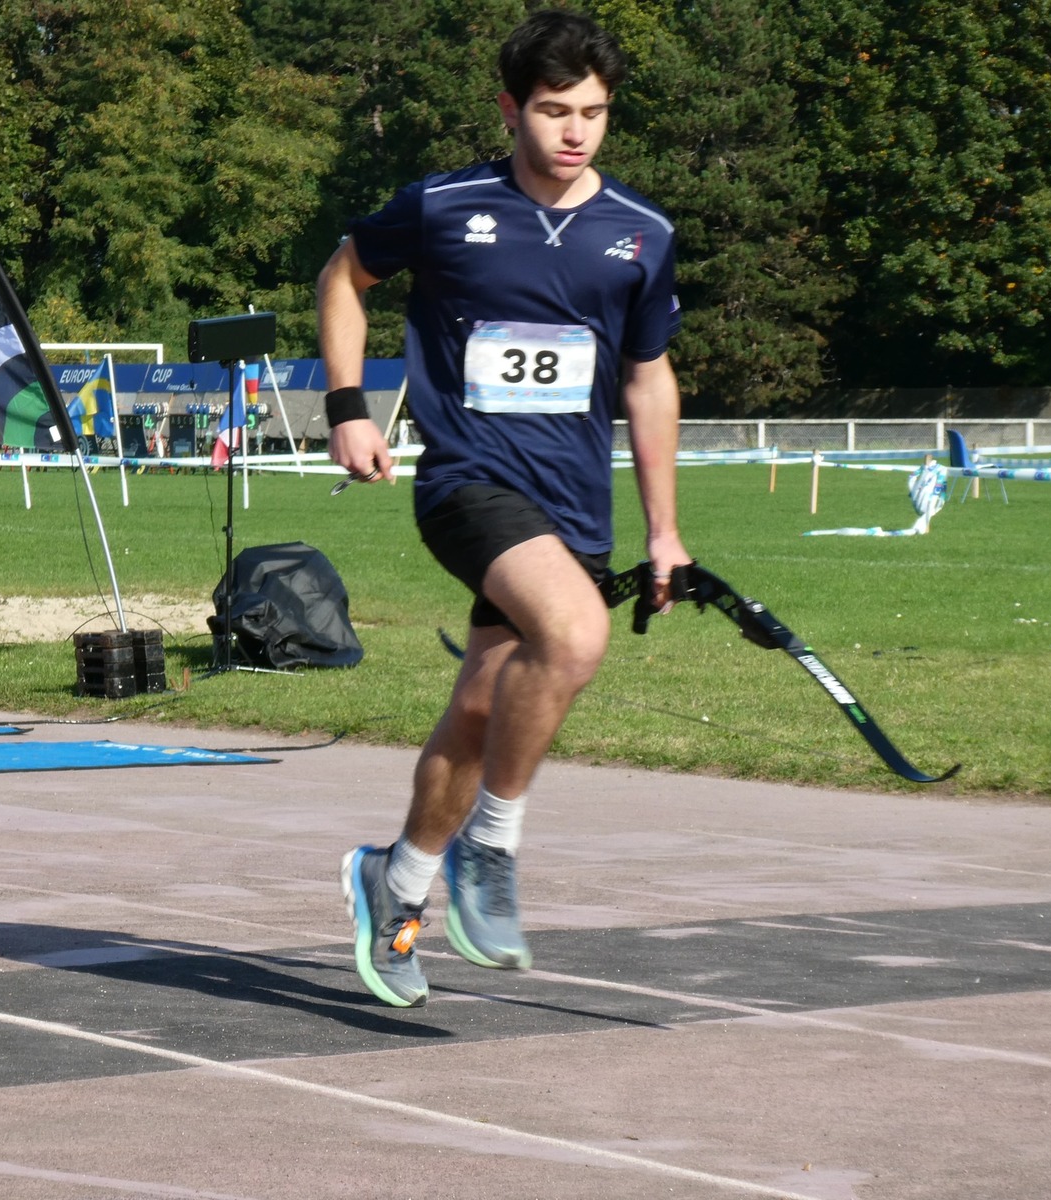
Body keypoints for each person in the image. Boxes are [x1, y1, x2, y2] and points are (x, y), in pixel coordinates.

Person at [318, 9, 690, 1008]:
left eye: (593, 113)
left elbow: (648, 379)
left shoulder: (642, 233)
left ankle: (394, 884)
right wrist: (349, 407)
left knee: (484, 710)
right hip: (468, 483)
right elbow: (344, 275)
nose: (575, 132)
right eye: (555, 110)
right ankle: (491, 847)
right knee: (572, 637)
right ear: (510, 109)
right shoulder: (445, 204)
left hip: (575, 507)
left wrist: (664, 530)